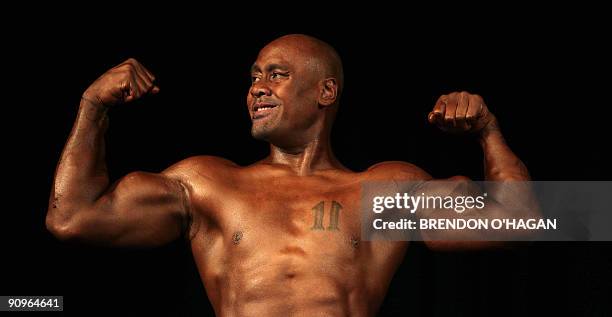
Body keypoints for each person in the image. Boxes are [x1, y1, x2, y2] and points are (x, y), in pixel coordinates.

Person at [46, 34, 535, 316]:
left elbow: (525, 225)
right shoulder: (210, 184)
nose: (257, 88)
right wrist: (93, 107)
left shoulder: (381, 193)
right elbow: (73, 218)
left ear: (325, 92)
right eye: (254, 77)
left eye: (276, 74)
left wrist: (488, 131)